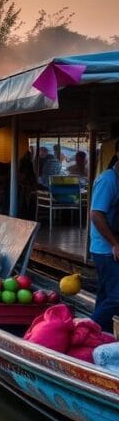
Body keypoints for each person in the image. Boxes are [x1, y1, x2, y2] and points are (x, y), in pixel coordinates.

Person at [89, 143, 119, 333]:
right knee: (117, 297)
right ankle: (87, 329)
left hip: (110, 248)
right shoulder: (108, 180)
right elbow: (96, 214)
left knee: (105, 294)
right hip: (105, 249)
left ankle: (98, 335)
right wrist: (115, 244)